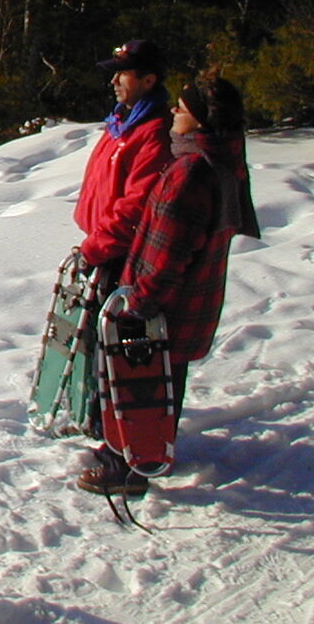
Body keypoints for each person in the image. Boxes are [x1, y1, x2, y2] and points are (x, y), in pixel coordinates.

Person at [77, 72, 260, 495]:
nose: (174, 112)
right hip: (195, 299)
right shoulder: (221, 159)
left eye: (183, 106)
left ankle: (126, 465)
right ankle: (152, 452)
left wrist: (138, 302)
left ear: (199, 118)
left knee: (140, 385)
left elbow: (169, 250)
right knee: (167, 380)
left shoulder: (190, 173)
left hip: (166, 304)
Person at [75, 39, 177, 280]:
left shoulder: (154, 132)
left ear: (148, 80)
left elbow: (137, 205)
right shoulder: (122, 123)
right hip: (102, 247)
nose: (113, 81)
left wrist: (95, 249)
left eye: (122, 74)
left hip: (122, 256)